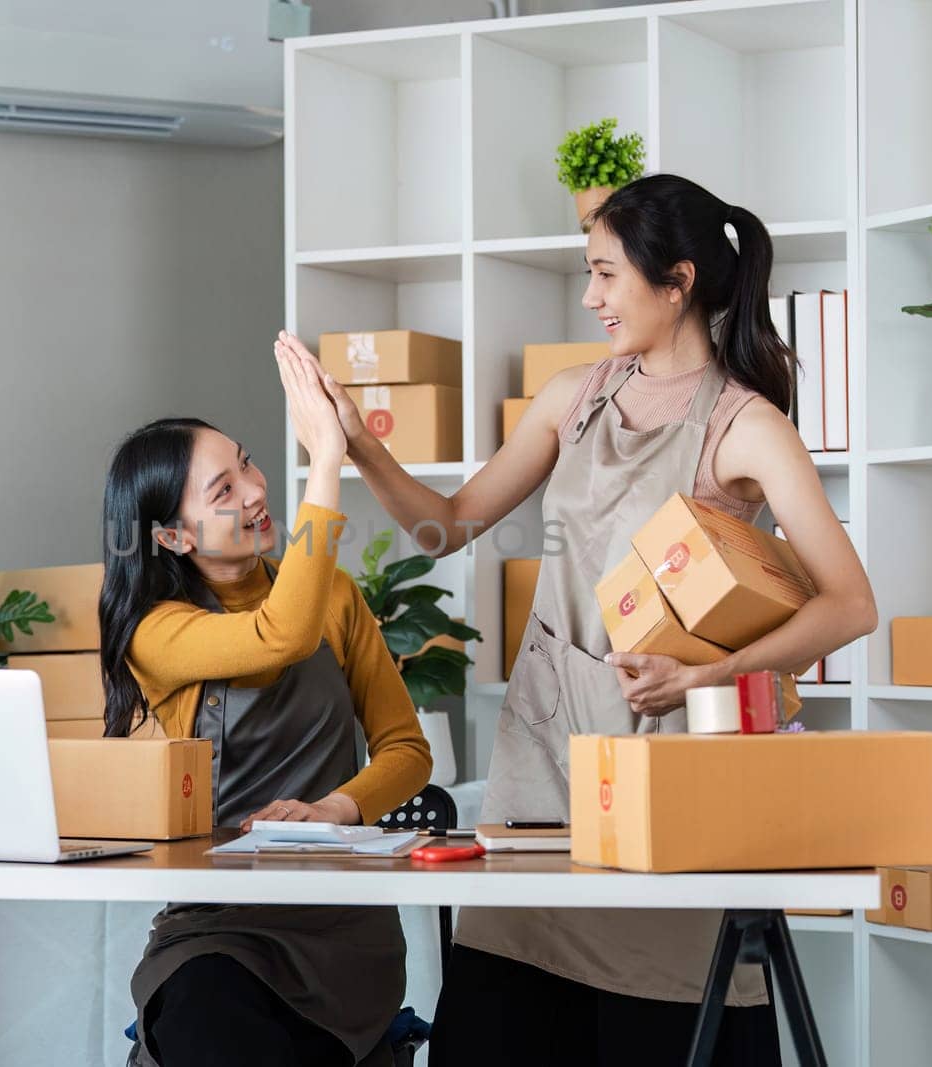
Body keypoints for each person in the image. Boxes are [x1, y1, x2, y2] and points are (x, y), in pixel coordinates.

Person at [275, 172, 877, 1065]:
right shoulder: (573, 395)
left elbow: (850, 603)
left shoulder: (746, 427)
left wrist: (705, 675)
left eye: (607, 275)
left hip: (665, 791)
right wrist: (357, 441)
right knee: (502, 1027)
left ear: (677, 282)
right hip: (539, 779)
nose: (591, 297)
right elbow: (445, 526)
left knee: (661, 1022)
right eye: (587, 274)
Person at [101, 347, 432, 1067]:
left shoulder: (335, 595)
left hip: (345, 931)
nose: (255, 491)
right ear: (172, 536)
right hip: (220, 924)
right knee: (206, 1015)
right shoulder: (158, 631)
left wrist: (339, 808)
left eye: (248, 465)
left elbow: (407, 749)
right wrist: (327, 459)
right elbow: (278, 634)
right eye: (223, 490)